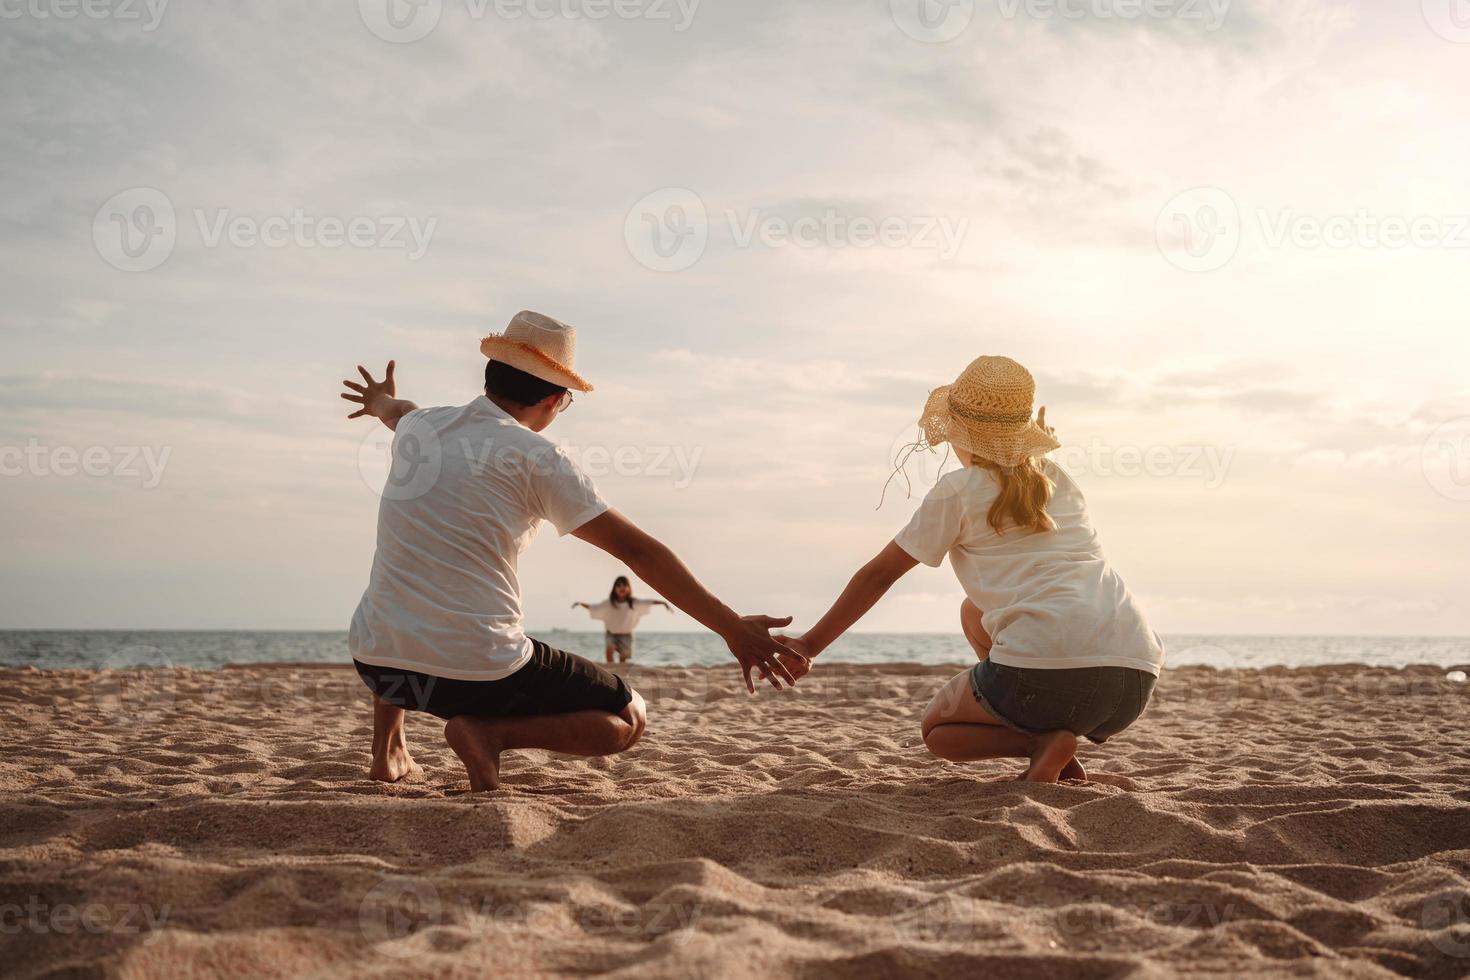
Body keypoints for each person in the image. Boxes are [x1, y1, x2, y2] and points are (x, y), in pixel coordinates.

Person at [340, 310, 802, 792]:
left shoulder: (422, 428)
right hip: (478, 673)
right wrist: (732, 628)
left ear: (490, 376)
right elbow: (638, 552)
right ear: (556, 400)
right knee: (629, 717)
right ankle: (489, 733)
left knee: (408, 581)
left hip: (378, 665)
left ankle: (387, 751)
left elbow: (397, 412)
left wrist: (379, 400)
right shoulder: (539, 458)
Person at [774, 355, 1164, 783]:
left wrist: (810, 644)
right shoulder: (1060, 481)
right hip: (1134, 677)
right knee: (972, 612)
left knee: (939, 731)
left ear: (959, 433)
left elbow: (879, 574)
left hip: (1047, 676)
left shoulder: (957, 490)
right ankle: (1059, 755)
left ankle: (1040, 742)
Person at [573, 575, 670, 664]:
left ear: (629, 588)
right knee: (609, 652)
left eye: (624, 585)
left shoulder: (633, 602)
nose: (621, 587)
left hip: (626, 635)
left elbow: (648, 602)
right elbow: (594, 607)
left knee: (623, 659)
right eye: (618, 585)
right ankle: (610, 672)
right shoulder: (609, 603)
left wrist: (663, 603)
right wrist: (580, 603)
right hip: (611, 634)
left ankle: (619, 674)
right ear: (614, 589)